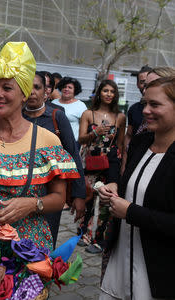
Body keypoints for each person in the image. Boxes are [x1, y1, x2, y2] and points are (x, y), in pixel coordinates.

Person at [0, 42, 80, 250]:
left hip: (28, 247)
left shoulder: (47, 141)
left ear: (24, 94)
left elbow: (59, 198)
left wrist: (32, 204)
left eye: (7, 88)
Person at [98, 76, 175, 300]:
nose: (146, 111)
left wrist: (130, 212)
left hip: (158, 272)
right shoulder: (141, 143)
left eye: (155, 104)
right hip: (121, 262)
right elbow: (135, 188)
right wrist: (114, 189)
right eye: (144, 104)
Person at [22, 71, 87, 248]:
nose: (32, 92)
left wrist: (79, 195)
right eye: (28, 87)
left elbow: (72, 155)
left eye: (37, 87)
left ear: (46, 92)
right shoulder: (16, 117)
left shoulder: (56, 117)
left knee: (43, 247)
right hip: (19, 193)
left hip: (49, 193)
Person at [78, 79, 126, 254]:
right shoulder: (88, 113)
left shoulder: (120, 117)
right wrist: (94, 133)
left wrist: (121, 167)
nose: (109, 94)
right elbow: (81, 139)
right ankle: (84, 233)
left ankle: (99, 239)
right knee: (88, 197)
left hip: (110, 161)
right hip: (91, 159)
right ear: (99, 93)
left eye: (112, 92)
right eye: (105, 91)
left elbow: (120, 145)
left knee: (106, 200)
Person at [52, 76, 87, 141]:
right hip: (55, 142)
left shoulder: (81, 105)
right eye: (64, 87)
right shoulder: (54, 103)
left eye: (70, 87)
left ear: (75, 90)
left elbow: (85, 126)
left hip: (73, 142)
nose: (66, 89)